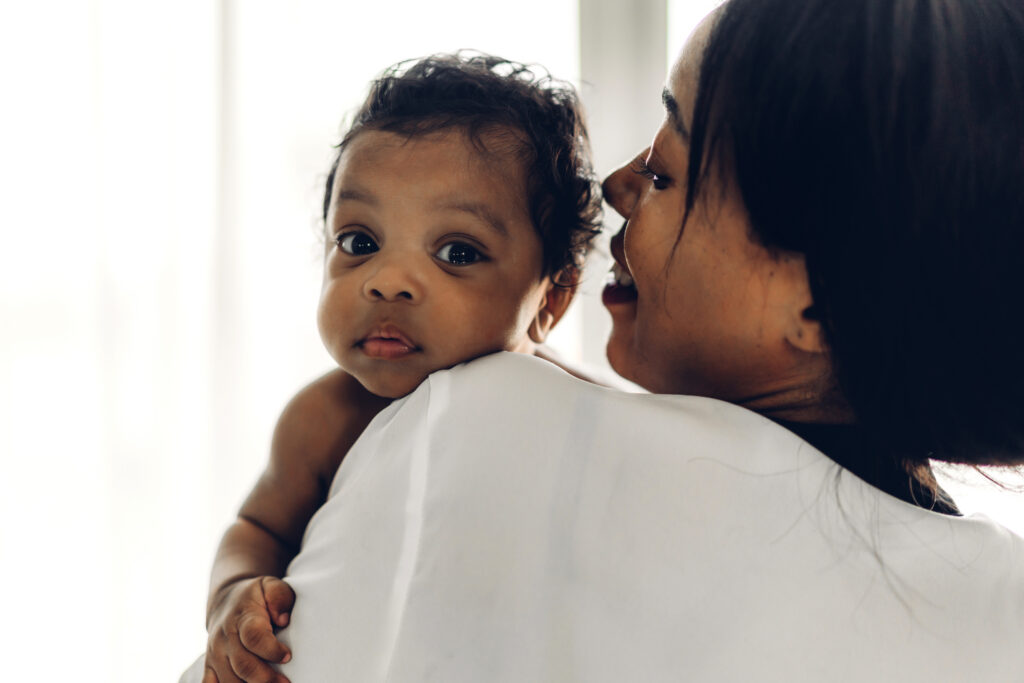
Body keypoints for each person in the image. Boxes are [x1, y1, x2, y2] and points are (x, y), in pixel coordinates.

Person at [236, 0, 1024, 680]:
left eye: (668, 169)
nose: (616, 183)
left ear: (815, 307)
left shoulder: (482, 426)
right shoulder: (996, 613)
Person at [187, 52, 602, 683]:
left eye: (456, 251)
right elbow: (256, 526)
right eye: (359, 243)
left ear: (550, 300)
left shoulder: (581, 411)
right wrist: (231, 598)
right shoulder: (326, 417)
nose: (388, 281)